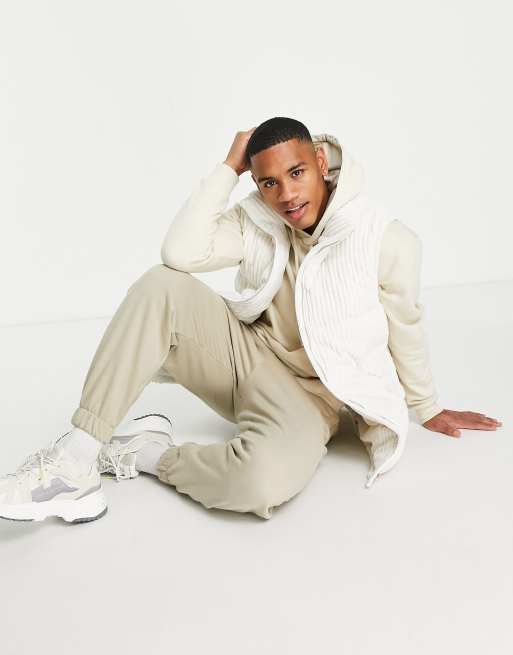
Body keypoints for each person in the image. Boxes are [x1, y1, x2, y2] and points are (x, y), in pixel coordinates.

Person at [0, 117, 502, 524]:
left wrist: (426, 406)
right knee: (161, 284)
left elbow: (405, 325)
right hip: (246, 357)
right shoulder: (258, 218)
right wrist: (228, 168)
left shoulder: (386, 239)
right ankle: (74, 460)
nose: (286, 195)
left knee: (261, 484)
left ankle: (146, 453)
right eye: (269, 182)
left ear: (321, 161)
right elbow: (180, 253)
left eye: (297, 173)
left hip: (312, 399)